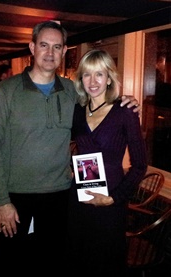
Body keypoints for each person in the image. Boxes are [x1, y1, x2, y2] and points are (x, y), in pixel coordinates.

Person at [0, 21, 141, 275]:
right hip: (15, 195)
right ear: (32, 47)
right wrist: (2, 202)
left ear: (64, 51)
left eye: (57, 47)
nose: (50, 53)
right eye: (44, 45)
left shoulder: (71, 92)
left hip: (59, 195)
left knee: (53, 263)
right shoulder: (6, 91)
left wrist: (125, 100)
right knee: (8, 263)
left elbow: (100, 100)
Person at [65, 49, 147, 276]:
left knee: (105, 262)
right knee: (77, 257)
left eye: (99, 74)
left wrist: (113, 199)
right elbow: (59, 140)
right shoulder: (77, 111)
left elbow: (140, 165)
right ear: (80, 78)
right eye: (87, 75)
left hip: (110, 200)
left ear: (109, 78)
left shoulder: (125, 111)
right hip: (78, 197)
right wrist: (69, 167)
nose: (93, 81)